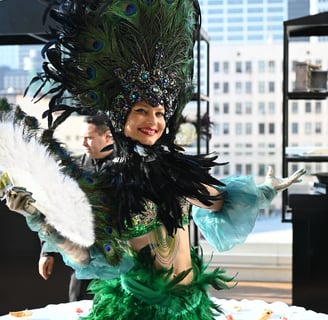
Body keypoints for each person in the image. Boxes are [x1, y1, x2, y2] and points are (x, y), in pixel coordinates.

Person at [1, 1, 306, 319]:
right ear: (121, 118)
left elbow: (219, 202)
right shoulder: (110, 184)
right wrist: (38, 219)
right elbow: (89, 253)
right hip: (139, 310)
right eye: (142, 111)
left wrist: (266, 189)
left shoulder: (177, 169)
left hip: (191, 305)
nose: (154, 121)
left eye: (159, 112)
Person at [38, 114, 114, 302]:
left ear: (107, 136)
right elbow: (55, 210)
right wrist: (47, 251)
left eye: (89, 138)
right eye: (82, 138)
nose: (84, 143)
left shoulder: (125, 167)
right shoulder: (74, 167)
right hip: (83, 261)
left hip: (119, 264)